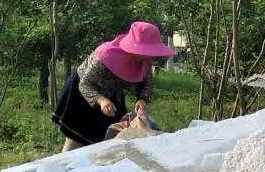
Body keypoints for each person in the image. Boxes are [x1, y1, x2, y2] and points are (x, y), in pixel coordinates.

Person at [51, 21, 177, 152]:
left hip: (112, 94)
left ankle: (95, 163)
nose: (147, 56)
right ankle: (65, 163)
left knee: (107, 138)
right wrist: (101, 100)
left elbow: (146, 84)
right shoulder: (106, 54)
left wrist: (142, 99)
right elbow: (85, 84)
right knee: (76, 137)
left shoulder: (145, 60)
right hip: (84, 92)